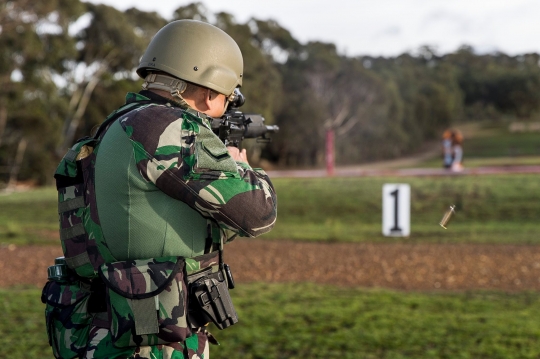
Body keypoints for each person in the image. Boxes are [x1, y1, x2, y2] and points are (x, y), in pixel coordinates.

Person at [47, 20, 277, 359]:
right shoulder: (168, 128)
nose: (225, 106)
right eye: (228, 98)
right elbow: (258, 213)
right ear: (210, 91)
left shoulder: (117, 126)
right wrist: (240, 165)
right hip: (150, 344)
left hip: (102, 333)